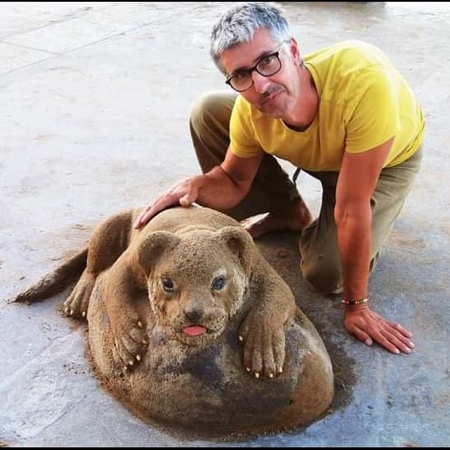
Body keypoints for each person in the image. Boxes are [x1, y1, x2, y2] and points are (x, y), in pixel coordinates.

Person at [134, 2, 425, 355]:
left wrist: (357, 305)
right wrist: (197, 185)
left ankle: (370, 220)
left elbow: (351, 209)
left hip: (382, 161)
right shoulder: (249, 111)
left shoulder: (363, 81)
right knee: (208, 112)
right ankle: (290, 212)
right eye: (241, 75)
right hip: (317, 153)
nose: (260, 83)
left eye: (267, 60)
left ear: (294, 51)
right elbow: (233, 179)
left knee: (327, 274)